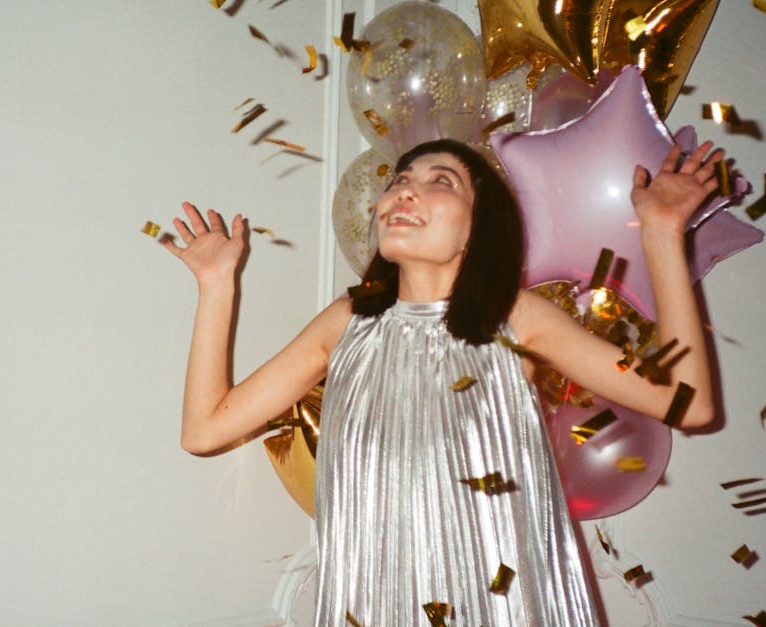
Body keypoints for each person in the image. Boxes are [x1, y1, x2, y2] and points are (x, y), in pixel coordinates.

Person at [164, 138, 722, 625]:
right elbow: (205, 430)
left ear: (478, 228)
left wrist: (664, 233)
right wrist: (217, 286)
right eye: (399, 179)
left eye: (441, 182)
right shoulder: (348, 320)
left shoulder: (516, 317)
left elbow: (687, 405)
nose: (405, 191)